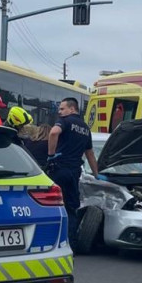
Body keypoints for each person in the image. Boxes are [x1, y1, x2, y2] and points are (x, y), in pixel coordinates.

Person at [47, 97, 98, 243]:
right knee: (71, 208)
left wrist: (50, 155)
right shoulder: (85, 129)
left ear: (72, 109)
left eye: (62, 109)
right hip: (75, 172)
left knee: (52, 204)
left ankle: (52, 240)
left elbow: (53, 133)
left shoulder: (65, 121)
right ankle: (70, 243)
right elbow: (90, 154)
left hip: (60, 168)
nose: (60, 112)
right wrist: (96, 174)